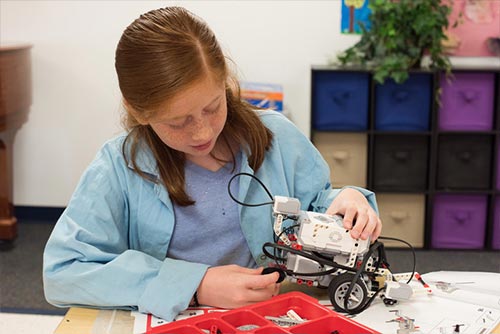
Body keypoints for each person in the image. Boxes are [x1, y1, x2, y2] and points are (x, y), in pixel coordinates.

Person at [43, 6, 382, 321]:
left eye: (212, 107)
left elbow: (317, 205)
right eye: (178, 122)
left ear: (225, 82)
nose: (202, 132)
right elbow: (64, 271)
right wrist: (195, 285)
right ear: (139, 111)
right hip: (176, 321)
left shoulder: (277, 137)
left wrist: (346, 202)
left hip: (271, 316)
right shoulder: (118, 166)